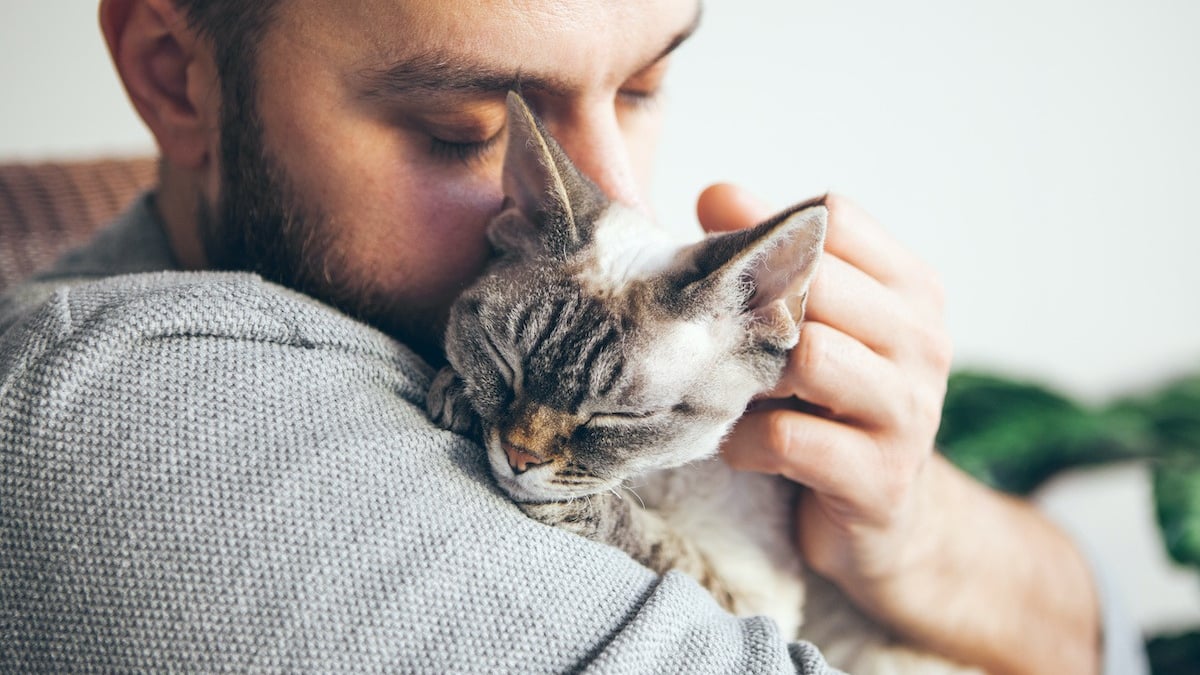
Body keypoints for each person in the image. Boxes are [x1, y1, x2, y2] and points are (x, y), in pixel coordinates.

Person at [0, 0, 1136, 672]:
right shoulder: (130, 424)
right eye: (471, 129)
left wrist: (919, 533)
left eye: (645, 83)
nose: (618, 193)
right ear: (173, 73)